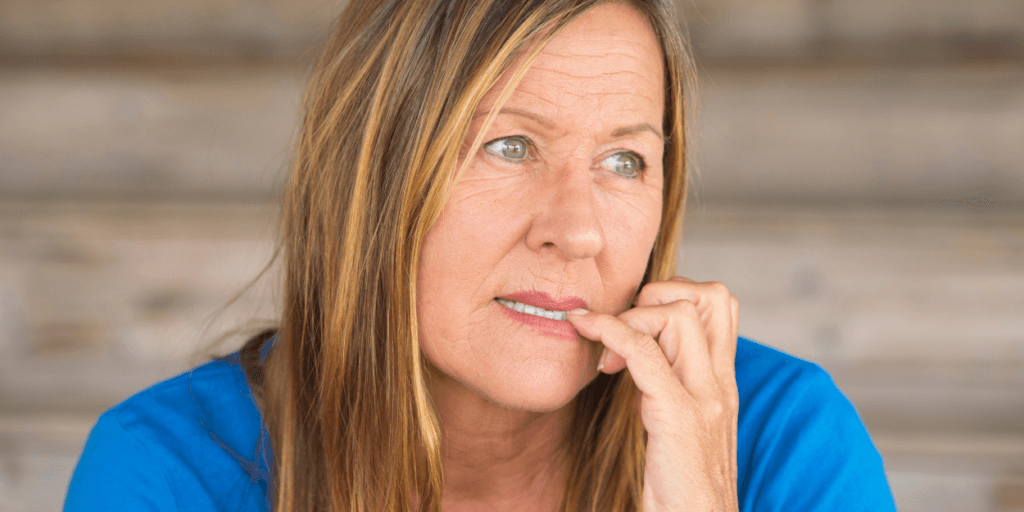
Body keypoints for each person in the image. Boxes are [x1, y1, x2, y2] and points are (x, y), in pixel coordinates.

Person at [63, 0, 898, 511]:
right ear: (372, 172)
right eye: (508, 146)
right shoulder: (169, 469)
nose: (577, 230)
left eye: (624, 161)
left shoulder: (779, 439)